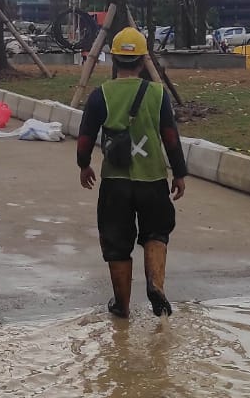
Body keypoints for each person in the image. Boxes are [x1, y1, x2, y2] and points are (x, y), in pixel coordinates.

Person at [76, 28, 188, 318]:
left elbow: (86, 135)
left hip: (116, 183)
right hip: (152, 180)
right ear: (141, 61)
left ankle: (122, 306)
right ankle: (155, 285)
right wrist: (179, 172)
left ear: (114, 59)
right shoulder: (157, 93)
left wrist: (84, 164)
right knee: (156, 232)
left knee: (116, 243)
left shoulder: (101, 95)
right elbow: (170, 137)